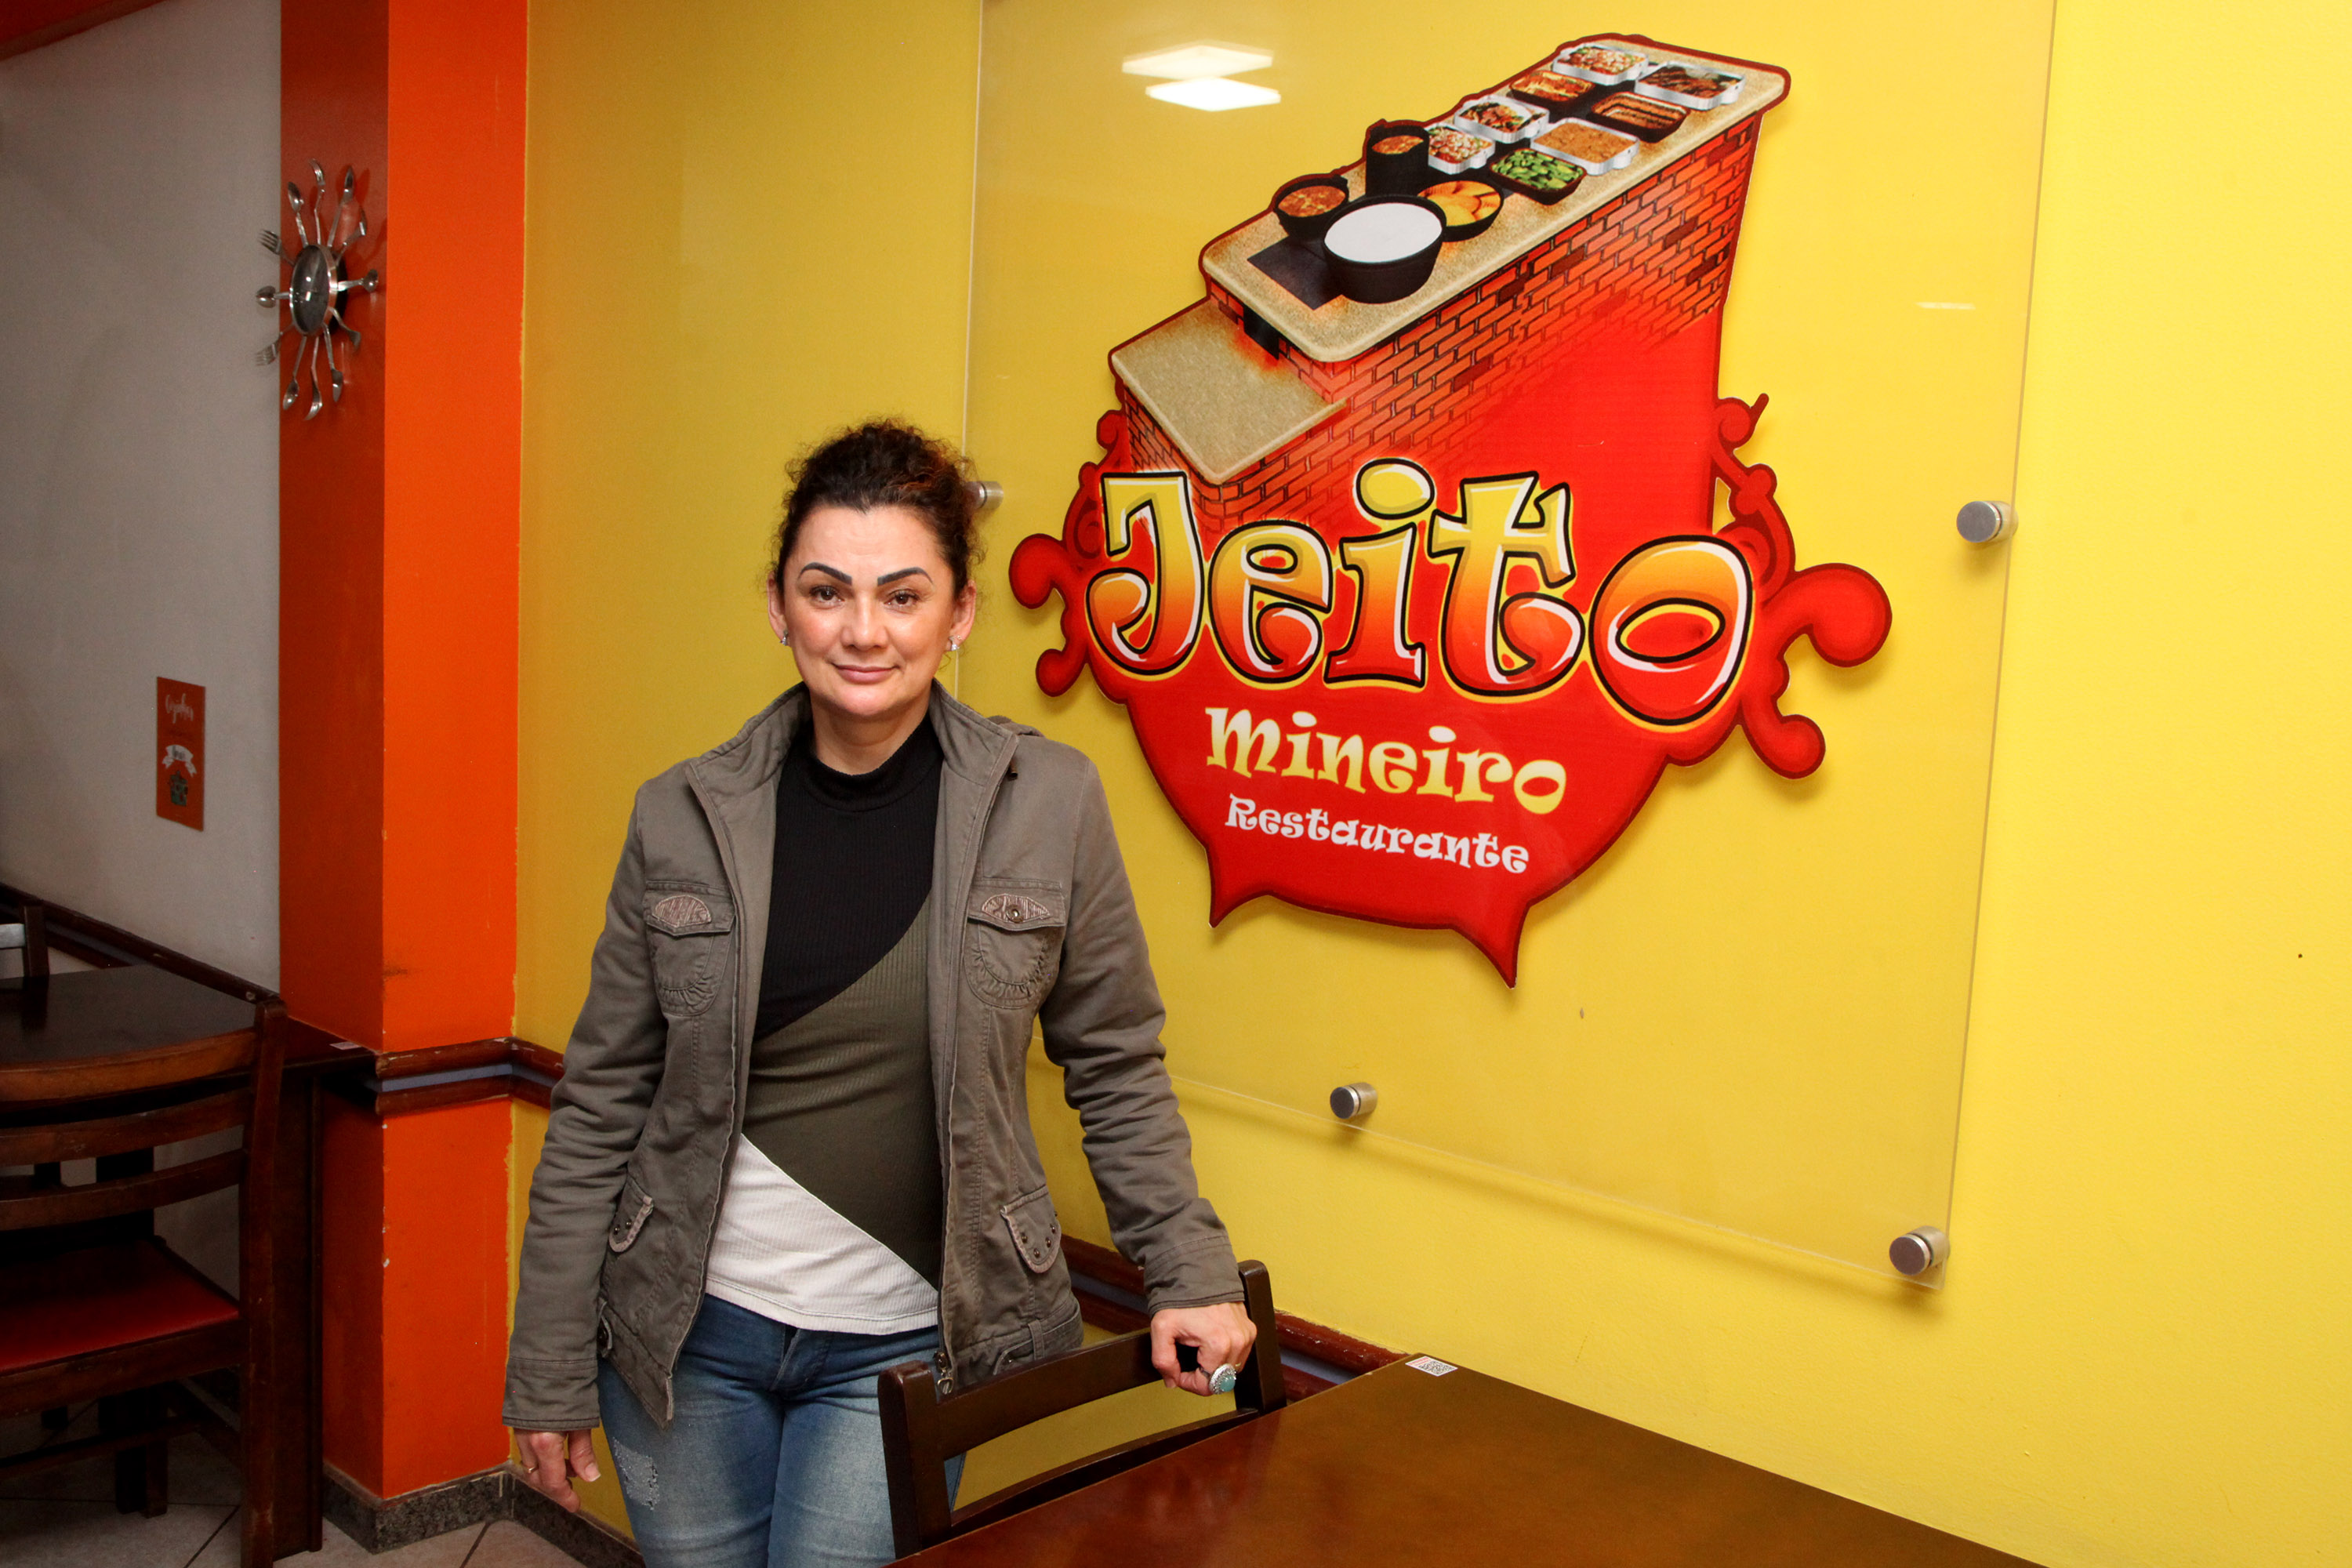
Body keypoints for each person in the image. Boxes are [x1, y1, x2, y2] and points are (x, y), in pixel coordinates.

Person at [503, 420, 1254, 1568]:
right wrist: (548, 1367)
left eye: (903, 597)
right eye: (827, 592)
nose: (863, 631)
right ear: (778, 605)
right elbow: (604, 1098)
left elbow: (1114, 1062)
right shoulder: (682, 814)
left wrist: (1188, 1272)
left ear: (958, 616)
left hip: (905, 1349)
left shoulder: (1046, 801)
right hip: (686, 1337)